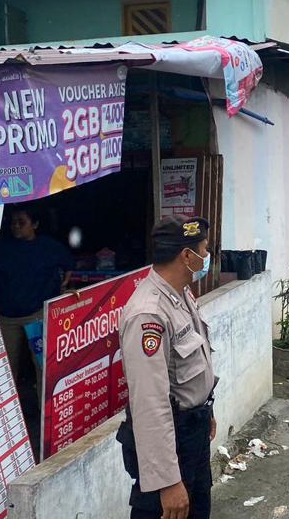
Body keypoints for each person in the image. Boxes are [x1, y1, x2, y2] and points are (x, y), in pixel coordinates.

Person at [117, 217, 218, 519]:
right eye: (204, 250)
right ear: (187, 257)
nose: (207, 257)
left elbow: (194, 364)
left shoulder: (181, 294)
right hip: (171, 446)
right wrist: (168, 482)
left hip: (193, 433)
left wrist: (206, 410)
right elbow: (150, 402)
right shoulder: (148, 313)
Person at [0, 205, 72, 389]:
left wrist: (64, 283)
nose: (16, 226)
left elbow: (69, 264)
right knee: (6, 371)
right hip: (6, 317)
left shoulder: (48, 247)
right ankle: (8, 415)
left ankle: (44, 416)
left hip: (37, 316)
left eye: (21, 222)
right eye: (13, 223)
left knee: (43, 368)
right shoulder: (2, 248)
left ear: (35, 224)